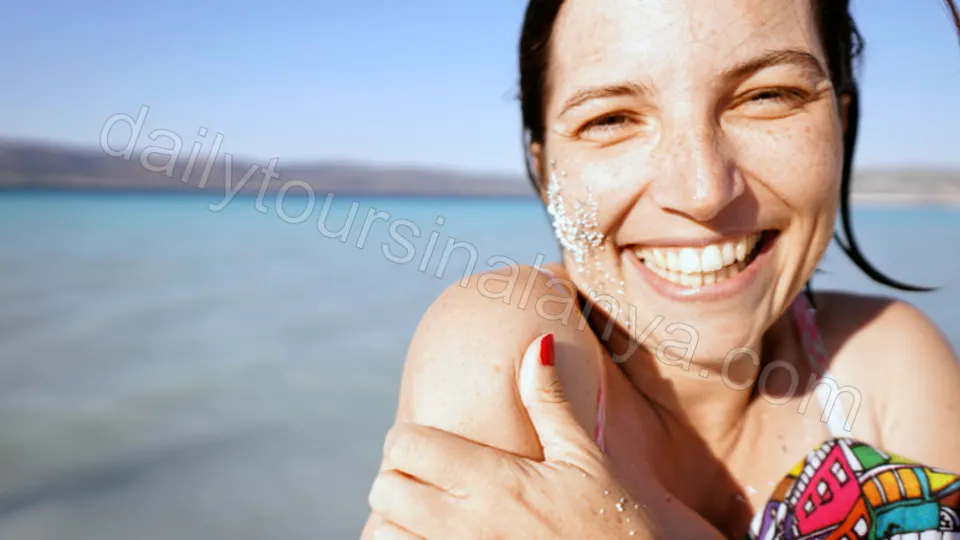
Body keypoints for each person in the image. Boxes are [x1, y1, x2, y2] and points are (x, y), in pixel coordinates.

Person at [362, 0, 960, 537]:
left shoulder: (888, 364)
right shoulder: (510, 349)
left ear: (841, 125)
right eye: (611, 120)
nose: (703, 191)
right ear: (545, 171)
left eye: (767, 96)